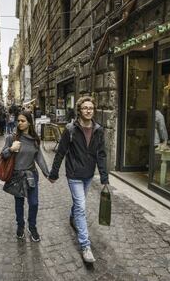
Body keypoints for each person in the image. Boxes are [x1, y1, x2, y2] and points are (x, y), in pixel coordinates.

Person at [48, 96, 109, 263]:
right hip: (74, 174)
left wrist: (104, 177)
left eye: (91, 108)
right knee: (81, 207)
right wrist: (54, 173)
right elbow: (61, 152)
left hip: (88, 174)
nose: (88, 110)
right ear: (79, 111)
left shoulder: (98, 129)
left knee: (78, 204)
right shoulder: (70, 129)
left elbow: (102, 155)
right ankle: (85, 246)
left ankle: (72, 217)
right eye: (85, 108)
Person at [1, 110, 50, 242]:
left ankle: (32, 226)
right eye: (18, 121)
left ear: (29, 122)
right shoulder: (12, 137)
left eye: (23, 121)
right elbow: (3, 155)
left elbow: (39, 158)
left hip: (31, 175)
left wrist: (47, 174)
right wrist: (11, 149)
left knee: (34, 203)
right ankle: (20, 225)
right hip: (17, 176)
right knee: (19, 203)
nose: (20, 123)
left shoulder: (35, 140)